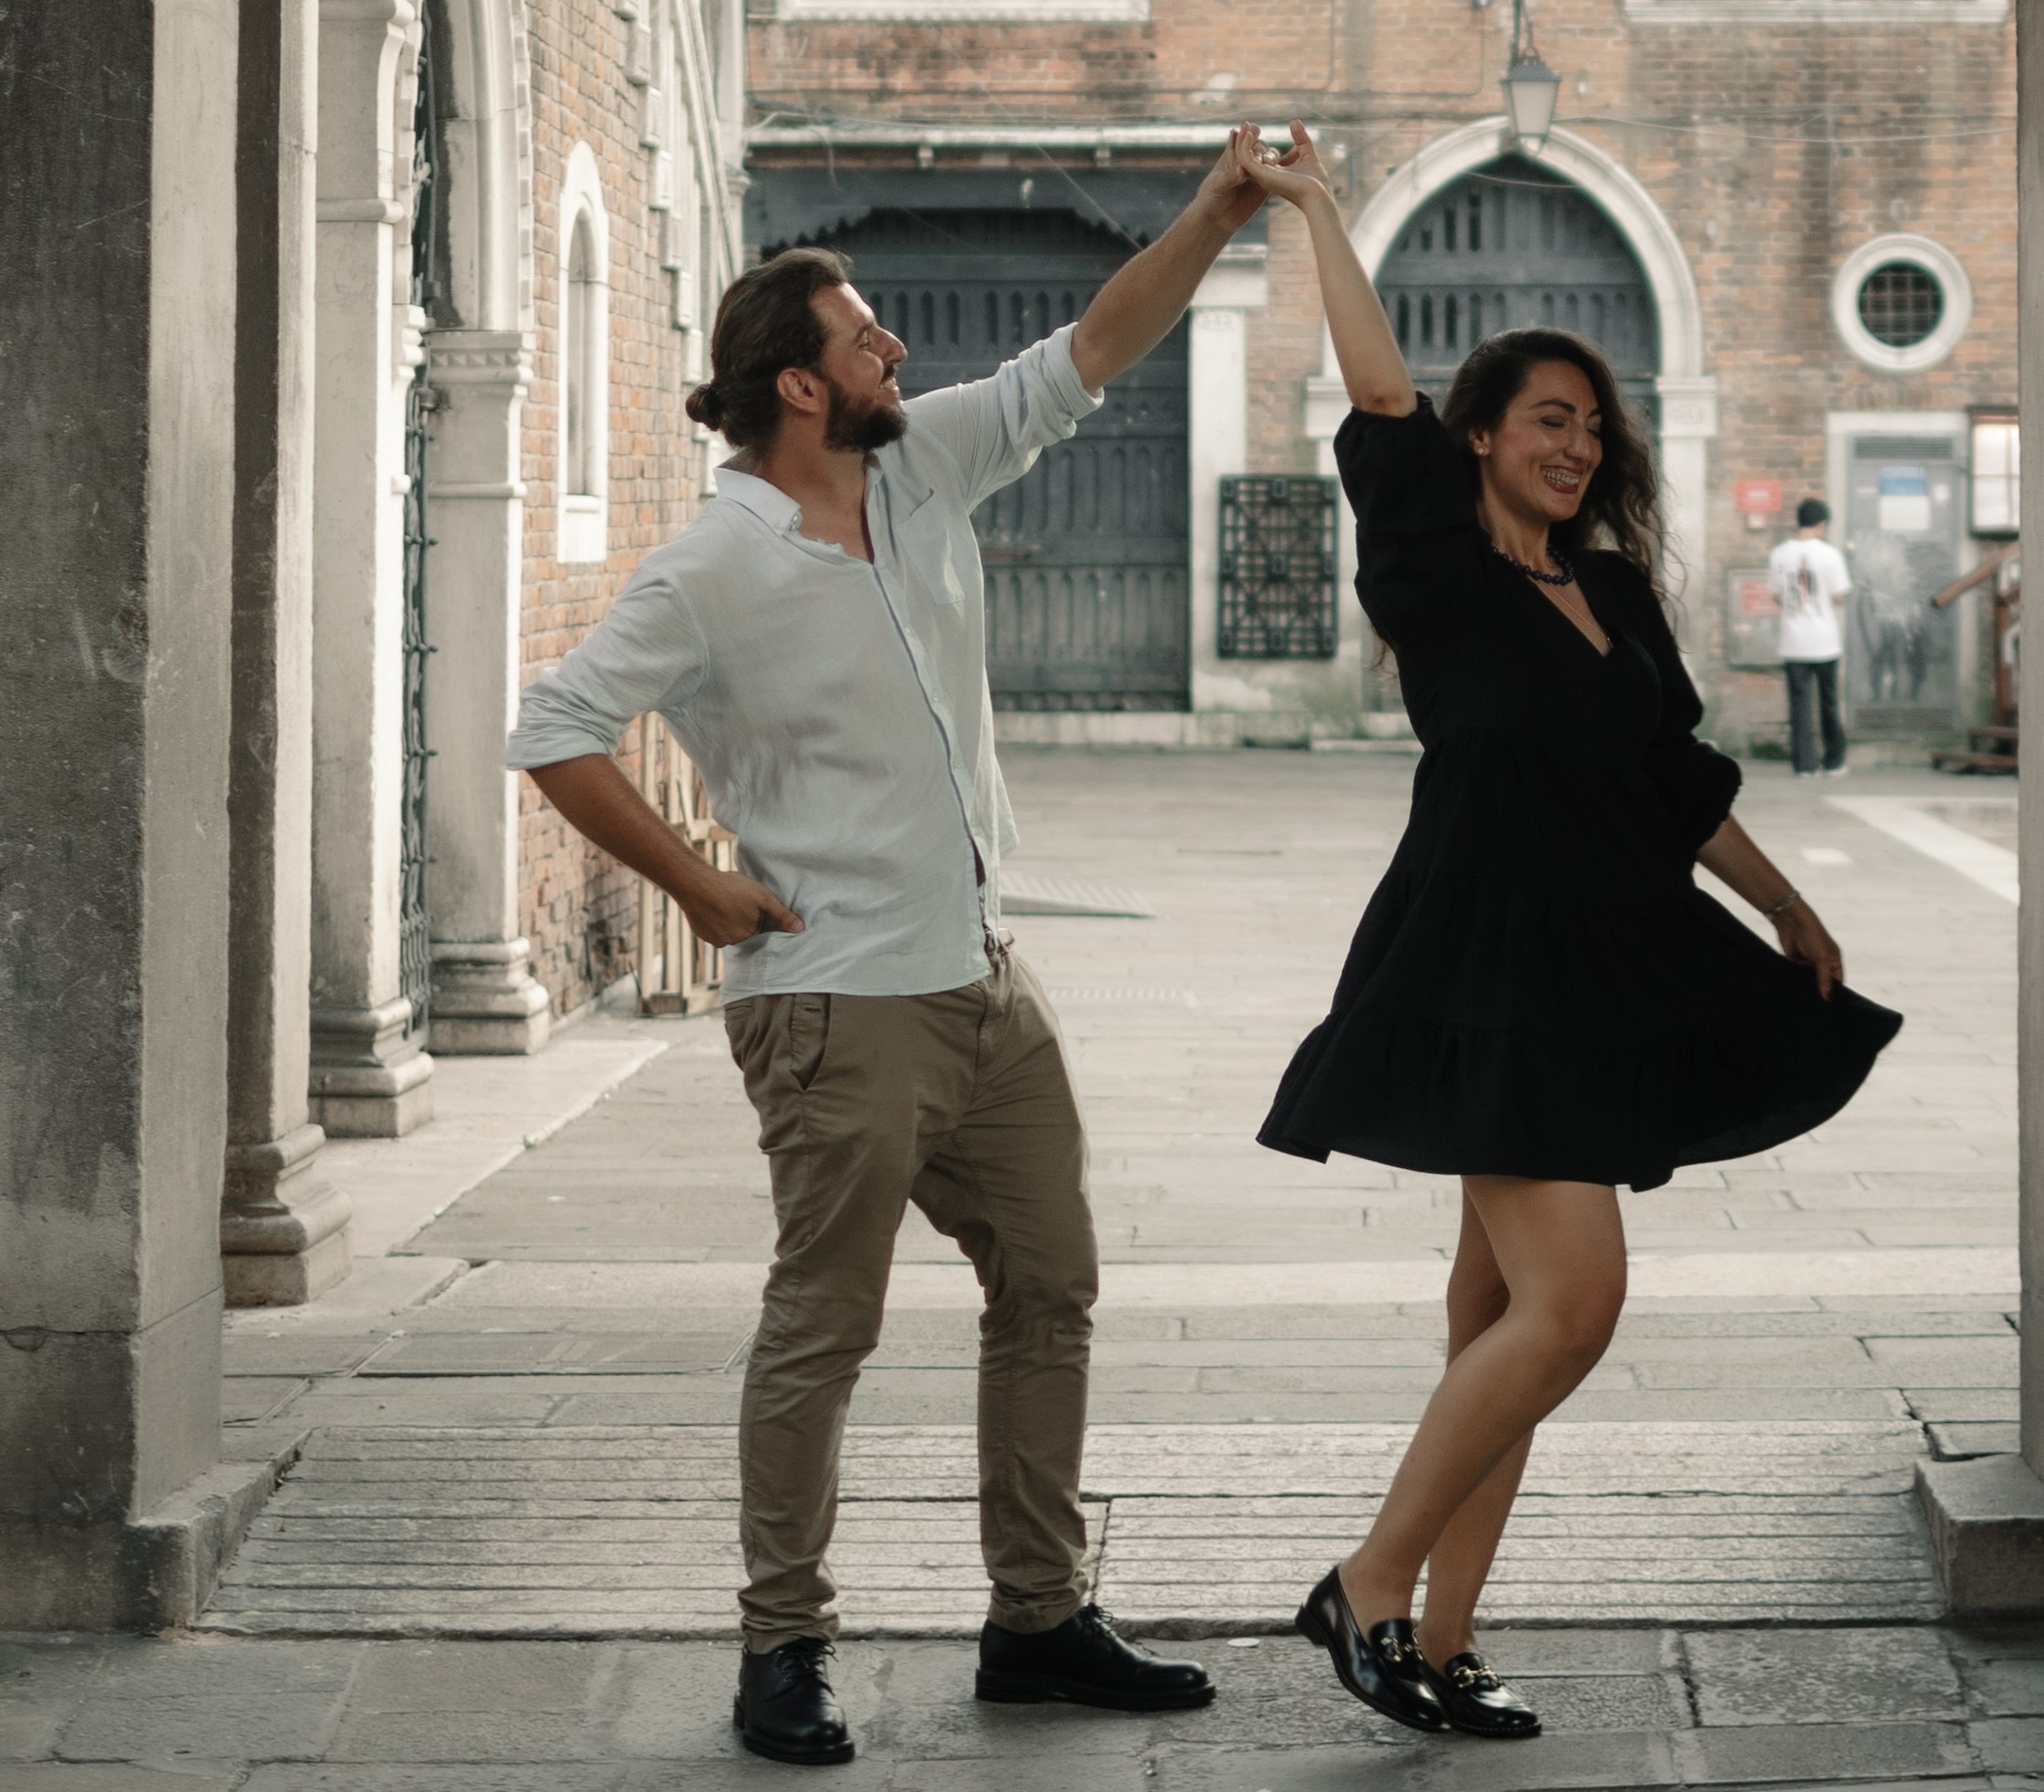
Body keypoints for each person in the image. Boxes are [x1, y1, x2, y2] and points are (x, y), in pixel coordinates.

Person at [508, 136, 1275, 1767]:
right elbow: (556, 724)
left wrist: (1212, 215)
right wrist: (697, 886)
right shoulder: (712, 565)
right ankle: (781, 1648)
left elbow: (1091, 349)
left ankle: (1037, 1621)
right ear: (801, 388)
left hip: (981, 981)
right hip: (835, 1005)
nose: (896, 349)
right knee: (825, 1327)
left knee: (1053, 1282)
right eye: (866, 340)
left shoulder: (919, 467)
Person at [1246, 128, 1900, 1743]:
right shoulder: (1435, 567)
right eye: (1548, 418)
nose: (1578, 445)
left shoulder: (1613, 592)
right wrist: (1317, 207)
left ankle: (1445, 1637)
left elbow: (1671, 780)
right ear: (1479, 434)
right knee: (1573, 1305)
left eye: (1594, 427)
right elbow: (1377, 389)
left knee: (1499, 1328)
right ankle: (1365, 1585)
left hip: (1605, 964)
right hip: (1484, 962)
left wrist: (1786, 902)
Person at [1768, 497, 1853, 779]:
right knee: (1829, 701)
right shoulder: (1831, 555)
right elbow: (1840, 597)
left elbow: (1777, 596)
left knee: (1799, 704)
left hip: (1793, 642)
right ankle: (1834, 761)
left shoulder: (1779, 554)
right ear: (1822, 524)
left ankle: (1804, 765)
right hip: (1825, 641)